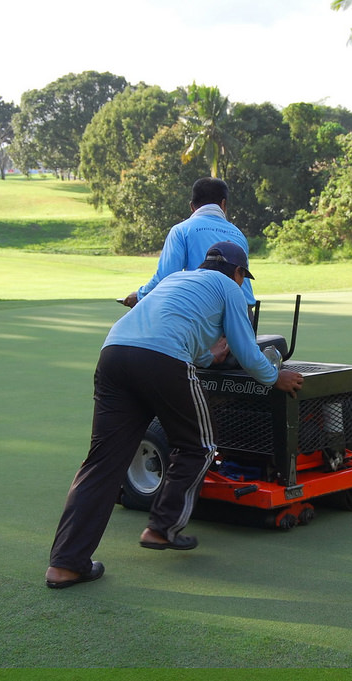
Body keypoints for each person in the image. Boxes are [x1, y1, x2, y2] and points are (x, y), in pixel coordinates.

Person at [45, 241, 304, 589]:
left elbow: (174, 330)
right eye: (243, 277)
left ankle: (65, 564)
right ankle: (161, 528)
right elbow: (245, 349)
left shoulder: (176, 280)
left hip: (114, 354)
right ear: (239, 273)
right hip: (163, 362)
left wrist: (204, 355)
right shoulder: (230, 288)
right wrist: (277, 377)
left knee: (102, 462)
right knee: (199, 446)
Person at [122, 177, 255, 309]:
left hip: (206, 312)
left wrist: (140, 296)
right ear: (224, 204)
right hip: (245, 312)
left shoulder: (182, 230)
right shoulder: (238, 234)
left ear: (192, 206)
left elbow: (166, 276)